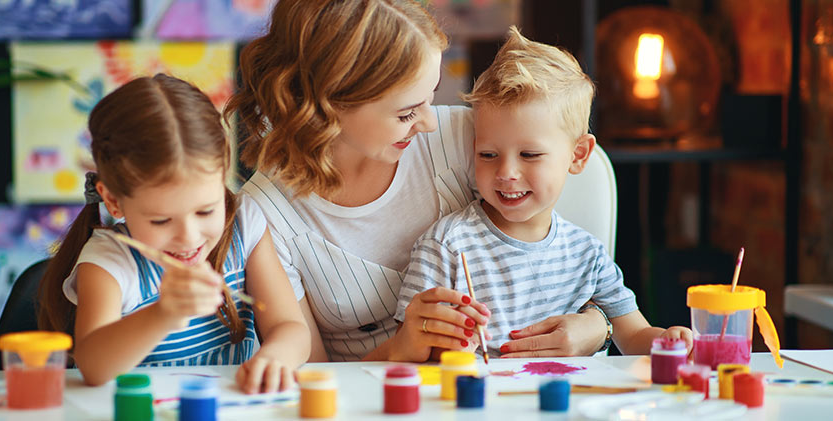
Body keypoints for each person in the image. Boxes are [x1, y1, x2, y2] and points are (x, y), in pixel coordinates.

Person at [226, 0, 610, 362]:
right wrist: (400, 348)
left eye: (430, 97)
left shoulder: (468, 141)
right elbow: (313, 376)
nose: (429, 122)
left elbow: (551, 257)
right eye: (407, 112)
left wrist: (599, 325)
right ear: (329, 105)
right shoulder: (267, 215)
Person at [396, 27, 693, 358]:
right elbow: (409, 346)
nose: (506, 173)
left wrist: (670, 341)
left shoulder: (588, 256)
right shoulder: (445, 246)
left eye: (529, 155)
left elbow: (634, 335)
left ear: (578, 155)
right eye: (488, 155)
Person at [37, 74, 310, 392]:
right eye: (161, 221)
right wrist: (164, 313)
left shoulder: (243, 227)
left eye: (206, 211)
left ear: (223, 176)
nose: (189, 237)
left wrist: (275, 357)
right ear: (113, 200)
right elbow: (93, 366)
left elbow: (291, 328)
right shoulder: (110, 261)